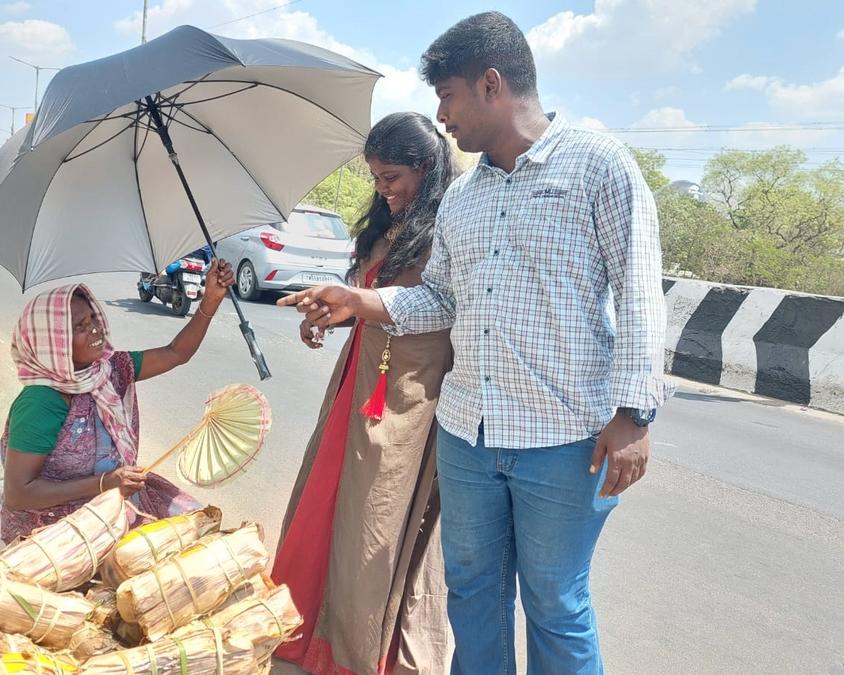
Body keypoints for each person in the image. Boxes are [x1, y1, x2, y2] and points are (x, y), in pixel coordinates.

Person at [280, 12, 674, 674]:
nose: (443, 117)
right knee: (474, 598)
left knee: (556, 602)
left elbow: (639, 293)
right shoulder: (463, 198)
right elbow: (438, 300)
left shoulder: (597, 166)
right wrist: (362, 301)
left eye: (448, 96)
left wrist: (634, 415)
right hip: (468, 437)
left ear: (491, 84)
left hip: (565, 440)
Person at [271, 112, 459, 675]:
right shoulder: (384, 224)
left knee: (373, 519)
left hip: (408, 394)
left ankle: (356, 651)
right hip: (359, 378)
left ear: (427, 169)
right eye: (376, 178)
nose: (384, 190)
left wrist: (358, 307)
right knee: (328, 498)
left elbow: (446, 311)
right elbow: (367, 303)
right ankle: (306, 631)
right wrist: (331, 316)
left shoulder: (450, 227)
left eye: (393, 178)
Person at [0, 259, 235, 543]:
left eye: (94, 319)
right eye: (81, 327)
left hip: (111, 502)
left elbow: (175, 353)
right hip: (55, 529)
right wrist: (104, 484)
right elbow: (18, 494)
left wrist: (210, 301)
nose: (96, 330)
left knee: (200, 531)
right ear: (53, 341)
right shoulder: (42, 400)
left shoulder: (111, 369)